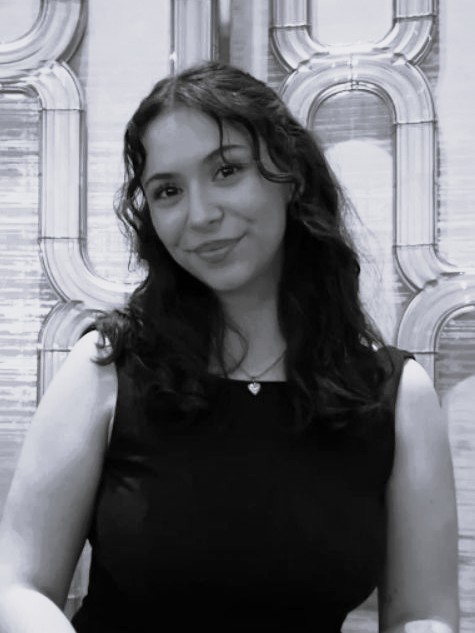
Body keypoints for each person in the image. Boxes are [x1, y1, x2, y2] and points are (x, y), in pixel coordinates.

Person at [0, 61, 459, 633]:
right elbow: (19, 585)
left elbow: (423, 614)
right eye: (168, 191)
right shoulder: (107, 370)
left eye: (227, 170)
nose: (200, 215)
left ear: (290, 175)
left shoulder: (395, 397)